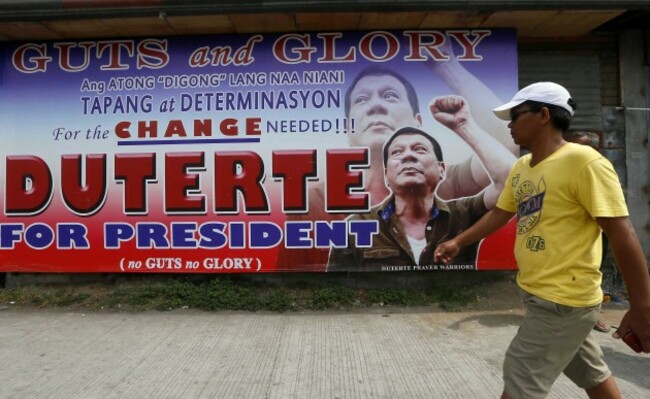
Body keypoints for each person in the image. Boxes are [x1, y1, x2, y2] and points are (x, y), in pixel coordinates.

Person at [434, 81, 650, 399]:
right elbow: (500, 213)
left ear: (544, 115)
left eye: (516, 115)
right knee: (591, 374)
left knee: (520, 384)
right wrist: (458, 241)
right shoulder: (523, 167)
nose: (509, 124)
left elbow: (622, 233)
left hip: (563, 301)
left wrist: (642, 307)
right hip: (539, 293)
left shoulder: (584, 162)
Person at [277, 60, 516, 271]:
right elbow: (292, 275)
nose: (376, 106)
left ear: (417, 122)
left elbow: (509, 146)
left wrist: (446, 65)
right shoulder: (314, 200)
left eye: (390, 95)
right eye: (361, 100)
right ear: (349, 129)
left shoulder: (448, 181)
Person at [327, 96, 516, 271]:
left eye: (419, 149)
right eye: (397, 152)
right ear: (386, 175)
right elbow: (337, 285)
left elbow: (513, 182)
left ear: (442, 168)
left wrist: (463, 125)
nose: (408, 155)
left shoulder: (462, 213)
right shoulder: (356, 225)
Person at [564, 130, 611, 333]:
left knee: (591, 274)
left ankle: (592, 317)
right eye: (571, 146)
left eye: (580, 147)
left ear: (594, 149)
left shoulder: (600, 171)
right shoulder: (563, 169)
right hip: (569, 236)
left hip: (594, 235)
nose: (574, 152)